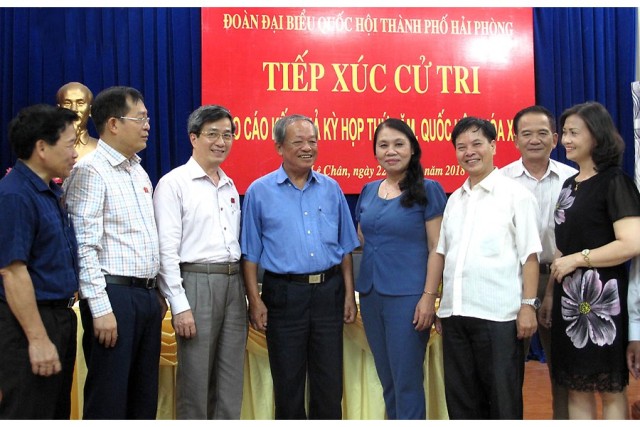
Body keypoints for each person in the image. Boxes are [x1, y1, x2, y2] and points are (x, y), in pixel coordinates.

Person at [241, 114, 360, 420]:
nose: (308, 148)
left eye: (312, 141)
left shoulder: (331, 188)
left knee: (329, 385)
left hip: (329, 293)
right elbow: (249, 254)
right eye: (298, 142)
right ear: (279, 147)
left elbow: (345, 248)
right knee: (288, 386)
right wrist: (255, 300)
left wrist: (349, 295)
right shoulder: (259, 191)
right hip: (284, 295)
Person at [63, 86, 166, 419]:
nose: (148, 125)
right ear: (113, 124)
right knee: (109, 399)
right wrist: (100, 308)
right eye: (141, 118)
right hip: (114, 297)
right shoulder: (90, 171)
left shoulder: (138, 170)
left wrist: (156, 293)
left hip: (145, 297)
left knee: (143, 398)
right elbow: (84, 246)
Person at [434, 116, 542, 419]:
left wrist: (528, 306)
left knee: (502, 403)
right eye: (461, 147)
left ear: (493, 146)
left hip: (498, 317)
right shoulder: (455, 200)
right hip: (456, 316)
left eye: (477, 144)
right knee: (462, 404)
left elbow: (529, 257)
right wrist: (443, 305)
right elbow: (445, 255)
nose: (469, 152)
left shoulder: (516, 196)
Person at [540, 101, 640, 419]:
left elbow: (631, 243)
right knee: (576, 386)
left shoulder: (615, 182)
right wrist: (549, 294)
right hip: (569, 303)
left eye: (574, 133)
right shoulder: (569, 185)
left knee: (609, 388)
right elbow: (563, 247)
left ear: (596, 135)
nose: (566, 140)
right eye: (565, 132)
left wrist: (579, 260)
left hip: (602, 303)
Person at [153, 105, 247, 419]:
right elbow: (166, 250)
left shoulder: (229, 185)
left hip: (233, 282)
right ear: (193, 138)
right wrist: (179, 305)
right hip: (195, 282)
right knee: (196, 379)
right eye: (213, 134)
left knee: (231, 378)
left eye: (227, 135)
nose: (221, 142)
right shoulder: (174, 183)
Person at [354, 118, 446, 419]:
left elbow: (436, 247)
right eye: (383, 145)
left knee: (406, 382)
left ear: (412, 149)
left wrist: (429, 297)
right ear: (375, 152)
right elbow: (363, 238)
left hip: (409, 298)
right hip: (371, 295)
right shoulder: (369, 190)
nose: (390, 151)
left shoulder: (428, 189)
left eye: (398, 144)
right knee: (388, 380)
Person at [0, 104, 79, 419]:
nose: (75, 153)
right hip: (29, 324)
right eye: (70, 145)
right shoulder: (15, 195)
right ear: (42, 148)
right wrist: (38, 339)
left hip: (59, 318)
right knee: (28, 412)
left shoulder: (49, 192)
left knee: (55, 413)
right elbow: (12, 271)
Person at [501, 105, 577, 419]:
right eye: (527, 134)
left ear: (555, 138)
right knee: (507, 367)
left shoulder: (573, 178)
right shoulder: (500, 180)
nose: (535, 140)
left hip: (563, 278)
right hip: (512, 280)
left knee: (563, 367)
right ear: (515, 139)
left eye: (542, 133)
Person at [56, 82, 98, 159]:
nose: (74, 109)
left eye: (80, 103)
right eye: (67, 103)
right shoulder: (49, 149)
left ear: (90, 110)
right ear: (59, 109)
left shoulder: (100, 150)